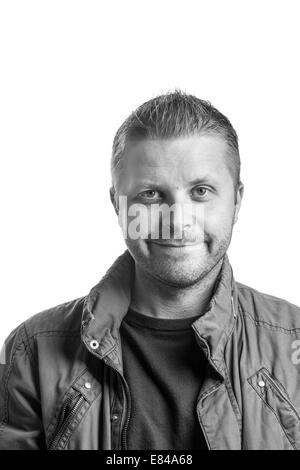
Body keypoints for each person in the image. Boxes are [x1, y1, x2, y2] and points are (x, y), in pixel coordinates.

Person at [1, 91, 300, 451]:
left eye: (201, 191)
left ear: (236, 201)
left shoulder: (292, 344)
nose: (177, 221)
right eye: (151, 195)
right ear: (117, 203)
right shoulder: (31, 351)